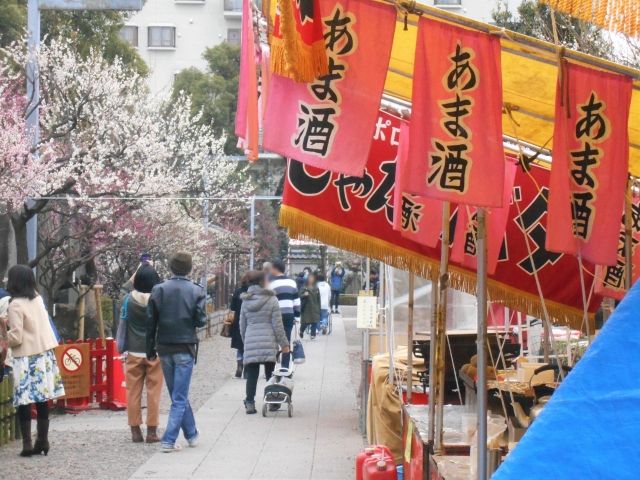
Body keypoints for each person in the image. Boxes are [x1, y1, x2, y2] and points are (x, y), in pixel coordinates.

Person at [147, 252, 207, 453]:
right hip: (185, 346)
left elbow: (151, 322)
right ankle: (169, 440)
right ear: (189, 269)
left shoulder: (159, 289)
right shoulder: (196, 291)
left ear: (171, 268)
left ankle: (191, 434)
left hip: (164, 346)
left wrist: (149, 349)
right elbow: (200, 320)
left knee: (176, 395)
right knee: (179, 397)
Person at [5, 265, 64, 457]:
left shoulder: (15, 305)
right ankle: (43, 440)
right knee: (41, 399)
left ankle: (27, 444)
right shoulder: (38, 299)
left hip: (25, 358)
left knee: (24, 401)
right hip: (44, 355)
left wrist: (3, 332)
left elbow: (16, 338)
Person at [118, 264, 163, 444]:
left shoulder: (128, 300)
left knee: (133, 392)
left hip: (134, 352)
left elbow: (122, 322)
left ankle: (135, 430)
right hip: (155, 352)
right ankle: (152, 431)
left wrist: (130, 279)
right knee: (154, 392)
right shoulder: (159, 300)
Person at [239, 271, 290, 414]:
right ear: (263, 282)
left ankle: (250, 403)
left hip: (251, 338)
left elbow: (242, 325)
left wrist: (246, 341)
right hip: (269, 339)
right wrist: (284, 344)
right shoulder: (272, 300)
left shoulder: (246, 301)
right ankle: (272, 402)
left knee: (252, 374)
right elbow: (278, 325)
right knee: (270, 373)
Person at [268, 259, 300, 369]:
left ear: (275, 269)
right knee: (286, 340)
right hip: (289, 315)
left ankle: (271, 367)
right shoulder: (292, 282)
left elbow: (267, 301)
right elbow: (297, 301)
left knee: (272, 340)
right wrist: (296, 316)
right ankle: (285, 367)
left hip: (275, 315)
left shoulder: (271, 284)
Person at [229, 274, 249, 378]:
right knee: (248, 345)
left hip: (237, 321)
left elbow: (232, 307)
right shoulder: (252, 293)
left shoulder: (237, 291)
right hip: (249, 321)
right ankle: (246, 368)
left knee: (239, 346)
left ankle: (239, 364)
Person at [299, 274, 321, 340]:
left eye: (312, 278)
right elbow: (299, 295)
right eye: (310, 278)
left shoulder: (316, 288)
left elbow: (318, 299)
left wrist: (319, 307)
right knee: (305, 322)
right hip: (306, 308)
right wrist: (304, 295)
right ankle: (301, 331)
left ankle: (313, 334)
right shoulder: (304, 287)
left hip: (314, 307)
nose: (311, 279)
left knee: (314, 321)